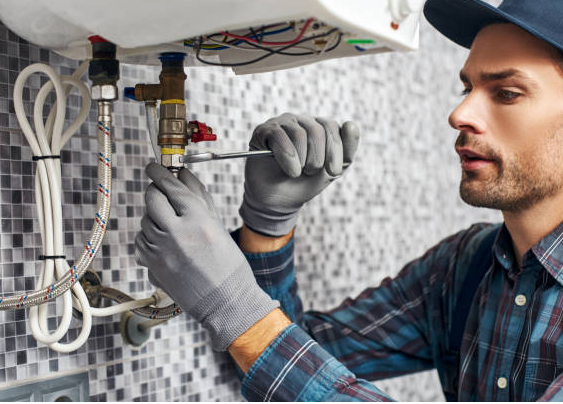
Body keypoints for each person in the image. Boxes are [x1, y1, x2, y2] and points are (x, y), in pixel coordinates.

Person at [134, 0, 563, 400]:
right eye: (465, 88)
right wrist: (267, 223)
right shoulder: (466, 267)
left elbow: (262, 340)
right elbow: (277, 361)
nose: (460, 114)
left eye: (506, 92)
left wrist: (234, 306)